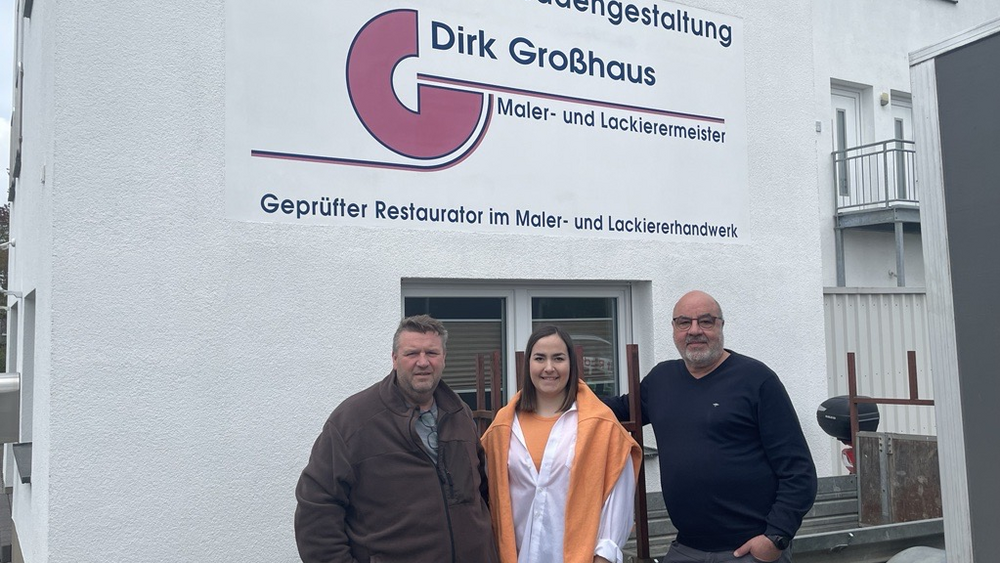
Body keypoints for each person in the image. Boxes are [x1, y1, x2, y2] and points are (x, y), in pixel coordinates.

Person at [604, 290, 817, 563]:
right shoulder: (660, 380)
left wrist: (776, 537)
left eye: (705, 321)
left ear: (721, 325)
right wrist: (563, 390)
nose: (694, 330)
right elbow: (618, 410)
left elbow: (798, 470)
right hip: (685, 548)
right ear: (674, 329)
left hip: (748, 551)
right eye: (684, 322)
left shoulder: (756, 380)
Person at [294, 315, 499, 563]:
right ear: (394, 359)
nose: (423, 362)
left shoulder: (459, 414)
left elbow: (481, 493)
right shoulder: (353, 421)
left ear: (444, 358)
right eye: (411, 353)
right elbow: (316, 510)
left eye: (431, 353)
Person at [482, 325, 642, 563]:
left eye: (558, 358)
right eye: (540, 358)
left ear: (571, 364)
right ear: (528, 365)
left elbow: (618, 499)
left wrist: (604, 557)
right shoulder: (502, 428)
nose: (549, 367)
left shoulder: (601, 425)